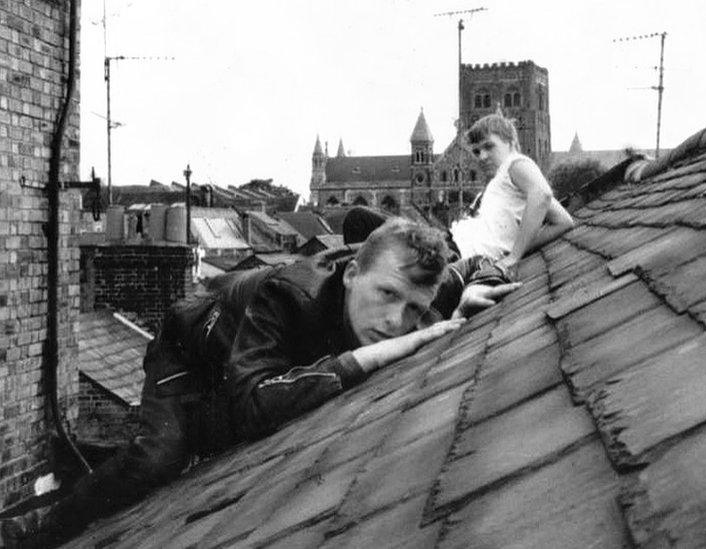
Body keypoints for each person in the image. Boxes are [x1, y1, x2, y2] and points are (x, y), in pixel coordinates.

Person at [5, 218, 517, 547]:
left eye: (414, 311)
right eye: (386, 295)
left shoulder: (421, 284)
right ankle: (43, 534)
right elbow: (253, 402)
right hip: (193, 351)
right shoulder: (288, 295)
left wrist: (478, 288)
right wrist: (371, 355)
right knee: (158, 458)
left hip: (253, 363)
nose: (396, 320)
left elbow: (477, 261)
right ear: (351, 273)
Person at [451, 113, 575, 274]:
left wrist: (515, 255)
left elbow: (543, 195)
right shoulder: (506, 177)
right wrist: (515, 249)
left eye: (489, 146)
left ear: (510, 142)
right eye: (476, 152)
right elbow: (563, 221)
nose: (482, 157)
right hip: (457, 250)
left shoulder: (515, 163)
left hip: (458, 253)